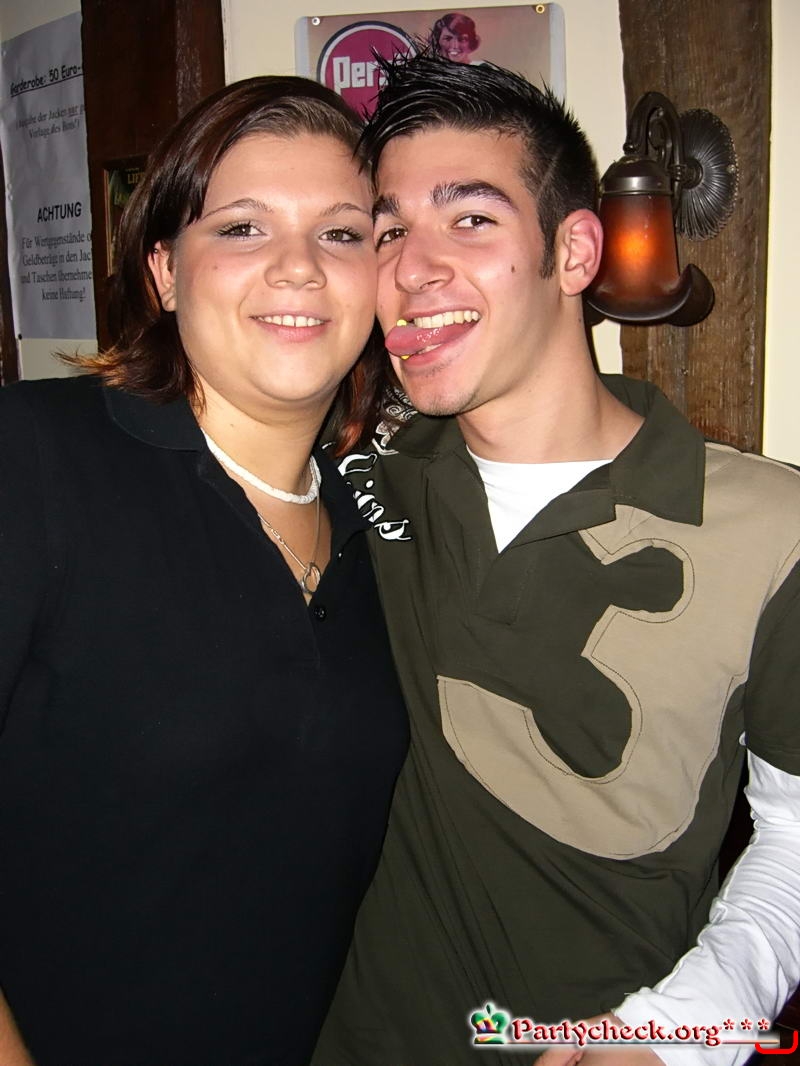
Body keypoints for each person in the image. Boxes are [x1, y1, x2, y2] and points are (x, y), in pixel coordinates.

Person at [312, 54, 800, 1065]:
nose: (411, 270)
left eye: (470, 218)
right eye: (389, 230)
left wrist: (672, 1034)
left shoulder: (771, 529)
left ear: (574, 251)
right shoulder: (362, 484)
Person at [0, 76, 408, 1066]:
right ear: (165, 272)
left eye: (341, 233)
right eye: (241, 228)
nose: (299, 267)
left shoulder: (380, 529)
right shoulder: (35, 457)